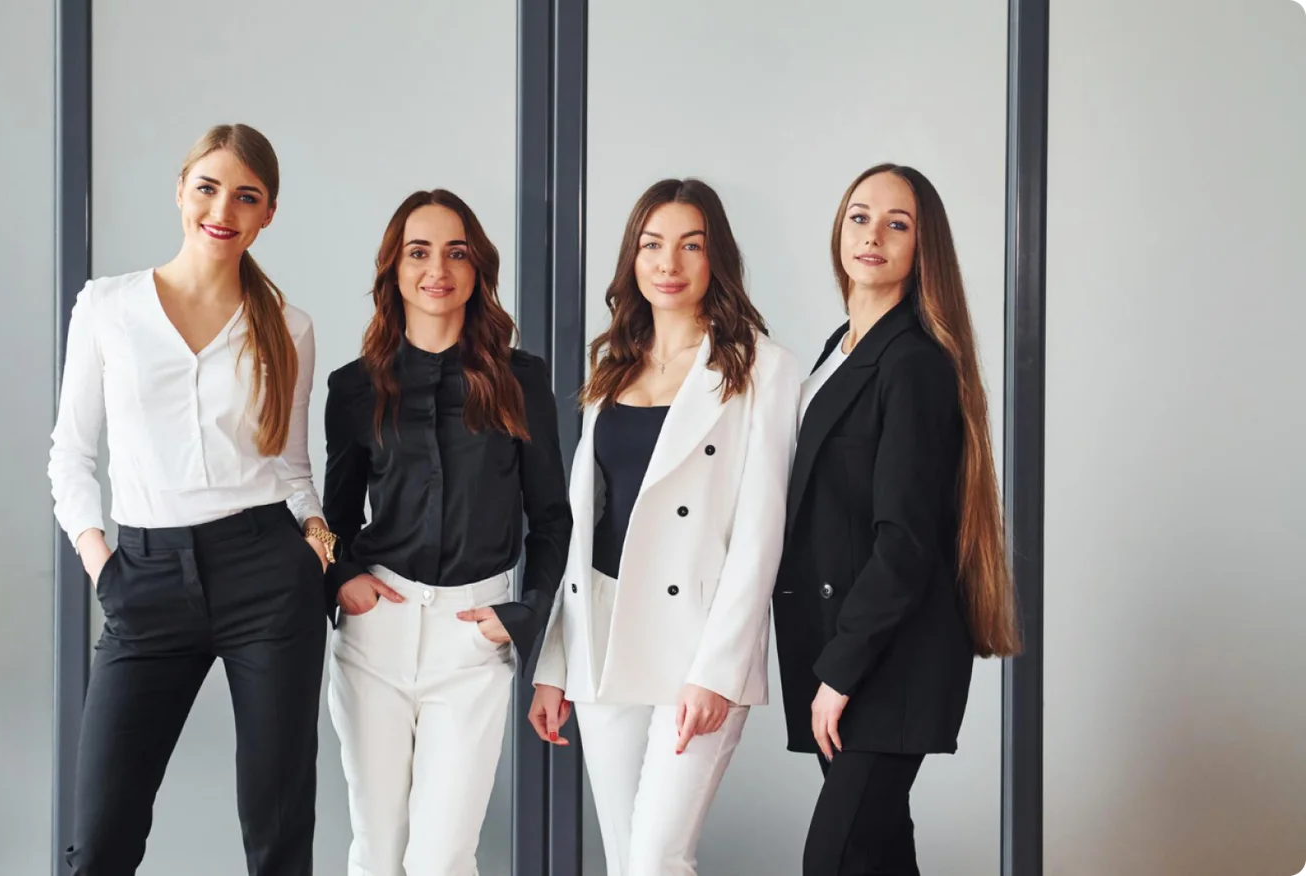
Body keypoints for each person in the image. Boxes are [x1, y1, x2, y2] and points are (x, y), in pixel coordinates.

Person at [47, 123, 329, 876]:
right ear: (180, 191)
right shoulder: (107, 308)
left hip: (267, 577)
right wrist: (103, 564)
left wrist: (315, 535)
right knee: (100, 840)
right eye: (207, 187)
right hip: (144, 574)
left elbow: (294, 467)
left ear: (267, 213)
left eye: (246, 195)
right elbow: (70, 456)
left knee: (277, 837)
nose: (222, 208)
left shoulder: (290, 328)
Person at [528, 178, 802, 876]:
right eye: (652, 245)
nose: (668, 263)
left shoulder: (761, 370)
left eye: (690, 245)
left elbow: (760, 533)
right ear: (632, 258)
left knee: (657, 858)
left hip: (695, 643)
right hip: (603, 636)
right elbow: (586, 528)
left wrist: (719, 672)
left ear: (718, 261)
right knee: (625, 861)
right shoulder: (611, 366)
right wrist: (554, 666)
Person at [775, 163, 1023, 875]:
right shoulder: (838, 350)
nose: (873, 234)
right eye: (860, 216)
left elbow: (905, 542)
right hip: (848, 655)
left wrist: (842, 671)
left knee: (837, 858)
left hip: (887, 662)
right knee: (878, 857)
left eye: (897, 223)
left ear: (923, 248)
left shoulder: (913, 362)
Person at [321, 189, 573, 876]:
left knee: (442, 856)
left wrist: (524, 615)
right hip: (376, 636)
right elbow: (335, 519)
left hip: (472, 635)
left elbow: (552, 518)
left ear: (477, 268)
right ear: (394, 272)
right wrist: (343, 578)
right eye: (419, 252)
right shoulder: (352, 390)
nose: (439, 268)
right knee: (377, 850)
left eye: (456, 252)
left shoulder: (520, 381)